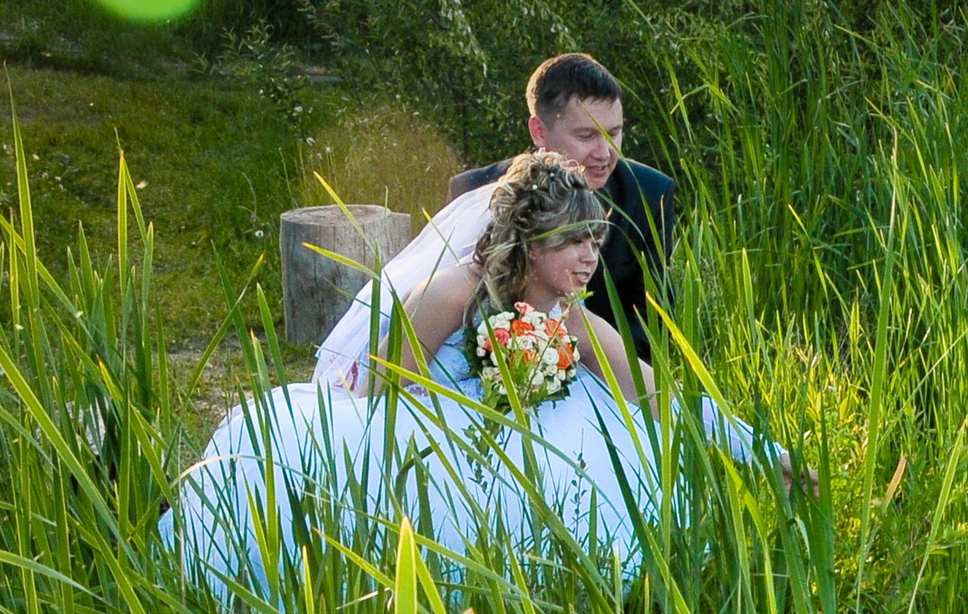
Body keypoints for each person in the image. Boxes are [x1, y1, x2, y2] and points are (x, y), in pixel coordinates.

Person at [167, 153, 776, 589]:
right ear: (531, 245)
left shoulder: (574, 319)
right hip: (440, 437)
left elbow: (657, 399)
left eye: (596, 240)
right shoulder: (452, 294)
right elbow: (384, 390)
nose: (591, 257)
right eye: (573, 242)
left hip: (543, 450)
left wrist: (767, 455)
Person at [313, 53, 673, 392]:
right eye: (586, 135)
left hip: (587, 384)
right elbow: (385, 387)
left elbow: (653, 339)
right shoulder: (472, 213)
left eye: (614, 133)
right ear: (539, 132)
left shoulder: (650, 194)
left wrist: (557, 364)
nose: (604, 153)